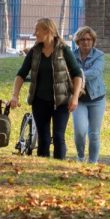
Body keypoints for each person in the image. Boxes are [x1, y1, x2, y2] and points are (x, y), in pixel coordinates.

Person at [8, 18, 84, 160]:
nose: (34, 33)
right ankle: (42, 168)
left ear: (48, 31)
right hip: (39, 101)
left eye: (37, 30)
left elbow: (77, 74)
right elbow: (21, 74)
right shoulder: (34, 52)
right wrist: (15, 95)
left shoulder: (63, 50)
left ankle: (59, 168)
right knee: (43, 137)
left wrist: (75, 98)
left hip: (61, 101)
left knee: (58, 136)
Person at [72, 26, 107, 164]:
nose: (86, 42)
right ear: (78, 41)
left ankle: (93, 162)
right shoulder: (71, 55)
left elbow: (95, 72)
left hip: (96, 98)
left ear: (93, 41)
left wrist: (77, 75)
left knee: (94, 134)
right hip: (78, 98)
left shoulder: (99, 55)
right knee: (80, 131)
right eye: (83, 39)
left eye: (89, 39)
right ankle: (80, 157)